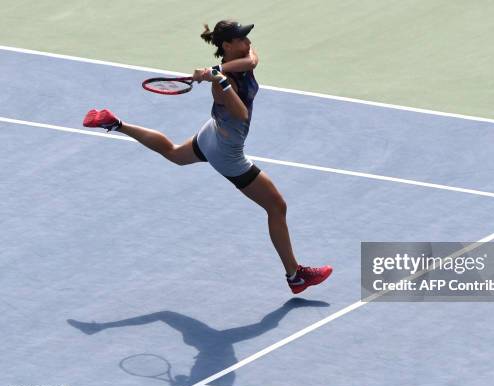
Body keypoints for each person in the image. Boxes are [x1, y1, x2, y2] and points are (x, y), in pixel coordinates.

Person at [82, 20, 332, 294]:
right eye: (242, 39)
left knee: (175, 153)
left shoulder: (242, 60)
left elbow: (253, 58)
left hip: (210, 134)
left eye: (247, 38)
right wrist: (222, 81)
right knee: (276, 206)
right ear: (227, 45)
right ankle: (295, 276)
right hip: (227, 151)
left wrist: (218, 70)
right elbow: (241, 114)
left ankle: (116, 124)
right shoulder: (219, 85)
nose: (248, 43)